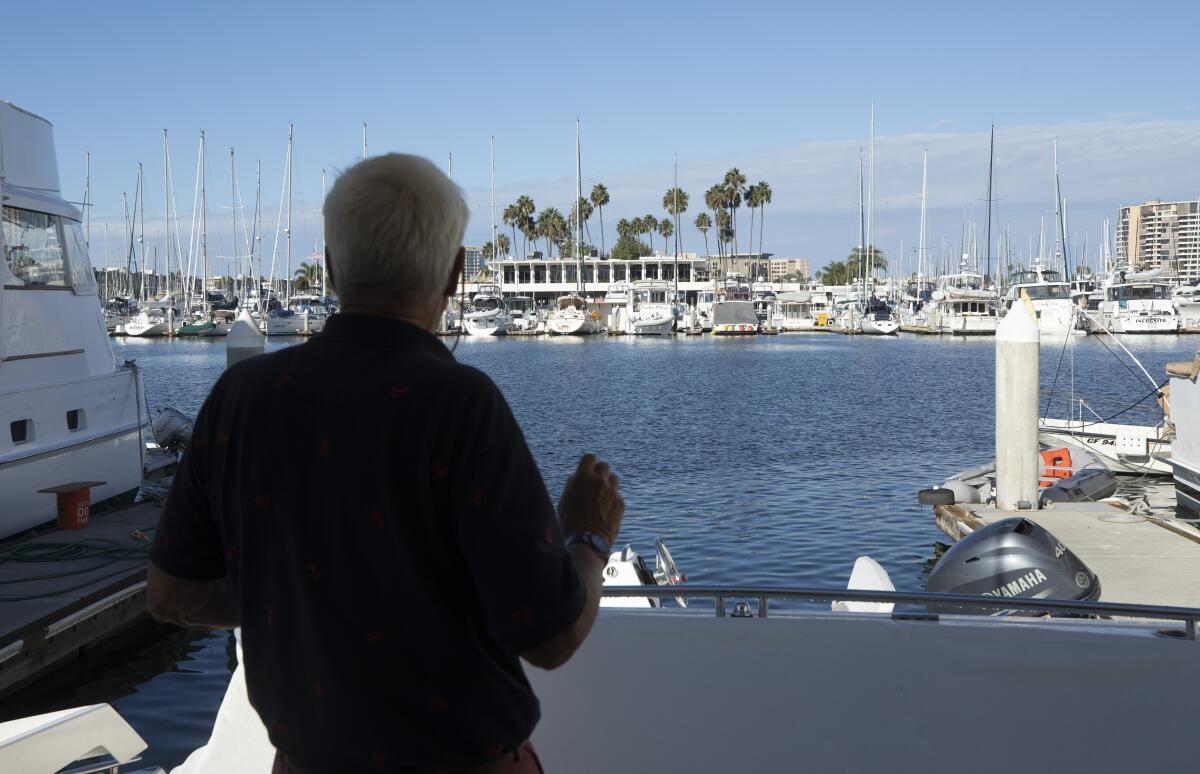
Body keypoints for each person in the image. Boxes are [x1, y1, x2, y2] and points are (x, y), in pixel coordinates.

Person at [147, 153, 625, 773]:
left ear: (330, 264)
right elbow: (553, 636)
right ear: (455, 273)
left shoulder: (240, 400)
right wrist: (587, 536)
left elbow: (170, 593)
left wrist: (308, 590)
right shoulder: (461, 406)